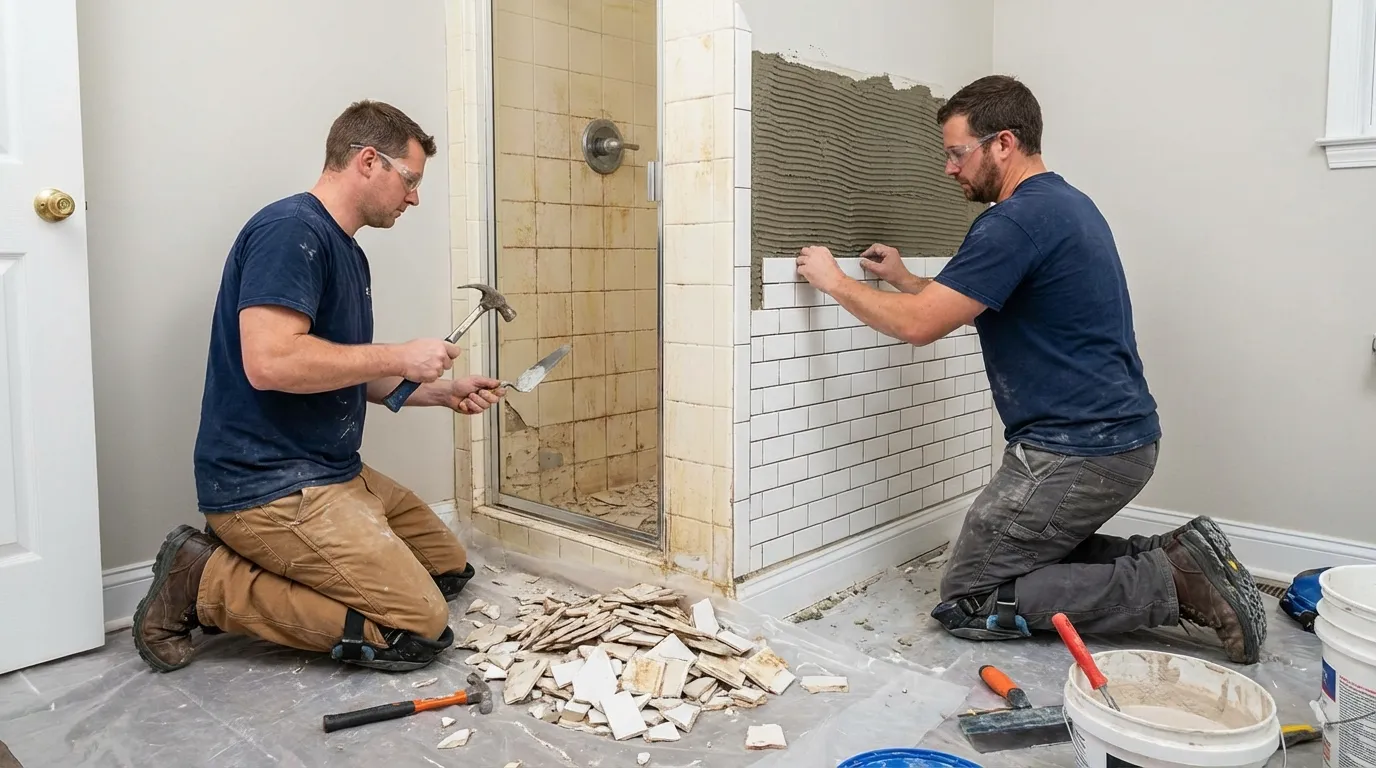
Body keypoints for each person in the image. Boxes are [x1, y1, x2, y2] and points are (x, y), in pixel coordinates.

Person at [793, 76, 1266, 664]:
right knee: (1019, 559)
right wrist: (907, 281)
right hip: (1113, 441)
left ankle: (1173, 582)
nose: (949, 169)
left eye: (956, 152)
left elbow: (919, 326)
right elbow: (971, 305)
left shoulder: (1012, 222)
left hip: (1077, 451)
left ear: (1003, 143)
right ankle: (1179, 556)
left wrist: (833, 281)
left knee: (970, 597)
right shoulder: (1064, 205)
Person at [132, 100, 506, 673]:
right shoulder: (290, 232)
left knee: (447, 570)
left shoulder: (347, 252)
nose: (414, 197)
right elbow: (272, 363)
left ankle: (308, 564)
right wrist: (401, 352)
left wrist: (437, 391)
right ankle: (204, 578)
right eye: (410, 180)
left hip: (331, 468)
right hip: (270, 483)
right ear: (366, 161)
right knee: (417, 629)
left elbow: (339, 366)